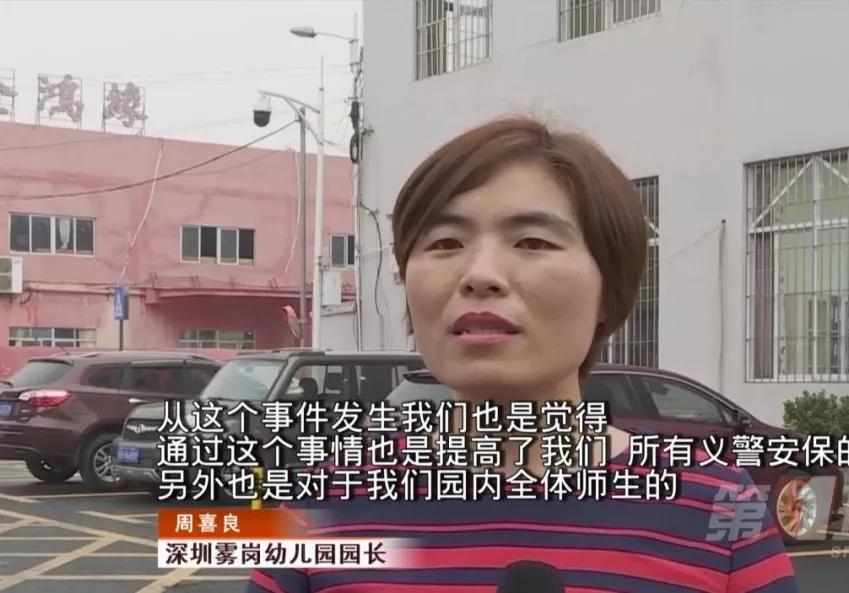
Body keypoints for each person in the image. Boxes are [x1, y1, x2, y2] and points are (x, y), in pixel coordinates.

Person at [245, 116, 799, 593]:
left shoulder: (718, 505)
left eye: (532, 242)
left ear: (609, 290)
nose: (480, 275)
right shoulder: (321, 498)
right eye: (444, 244)